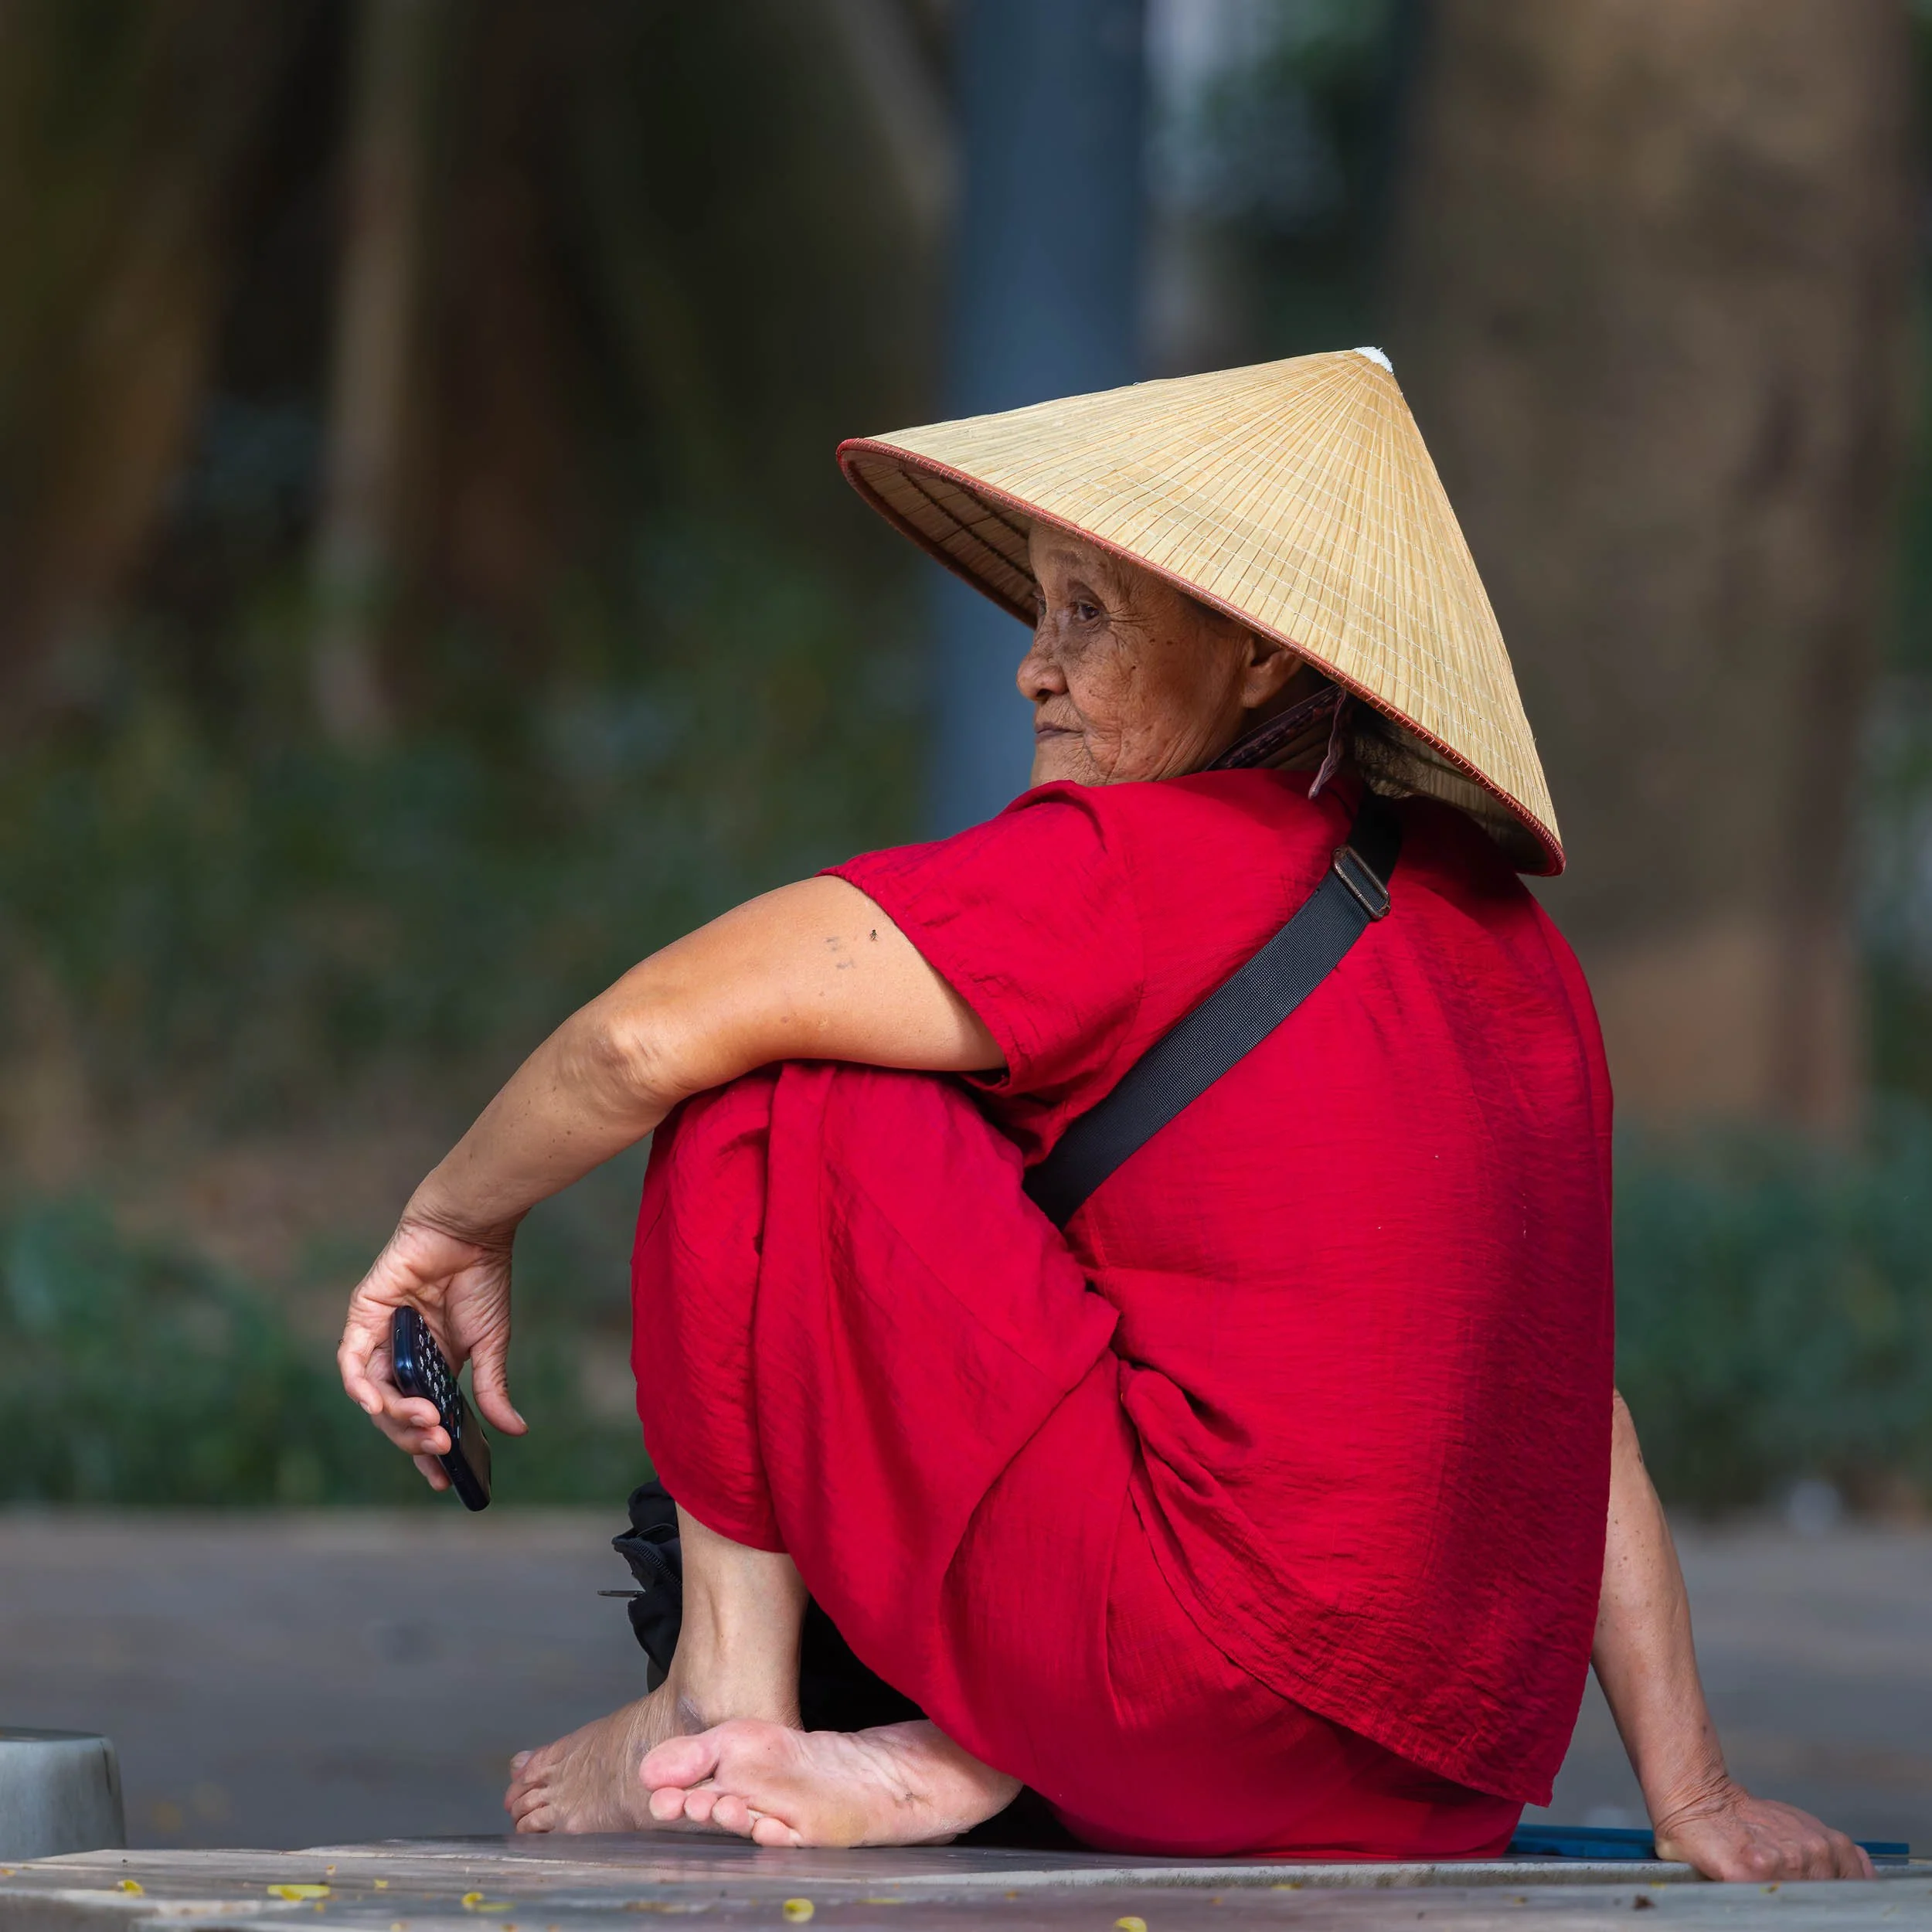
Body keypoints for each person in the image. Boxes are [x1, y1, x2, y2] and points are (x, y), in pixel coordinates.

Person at [338, 350, 1870, 1876]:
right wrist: (1696, 1795)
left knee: (763, 1074)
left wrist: (450, 1220)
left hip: (1183, 1710)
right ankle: (963, 1749)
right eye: (1038, 604)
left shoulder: (1124, 868)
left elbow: (640, 1036)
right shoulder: (1516, 956)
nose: (1033, 663)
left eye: (1089, 614)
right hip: (1432, 1778)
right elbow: (1565, 1414)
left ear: (1262, 662)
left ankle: (714, 1694)